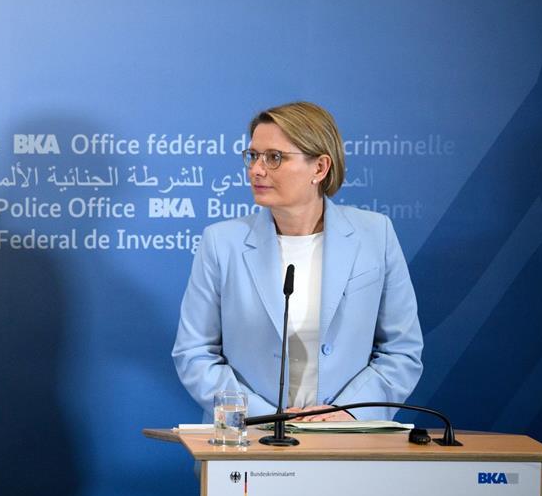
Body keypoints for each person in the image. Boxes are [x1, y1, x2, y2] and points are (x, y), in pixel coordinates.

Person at [173, 101, 423, 423]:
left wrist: (347, 411)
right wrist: (264, 418)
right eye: (253, 156)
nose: (257, 170)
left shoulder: (376, 235)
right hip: (250, 439)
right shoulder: (222, 242)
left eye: (274, 158)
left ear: (319, 168)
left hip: (347, 440)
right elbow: (194, 354)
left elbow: (401, 351)